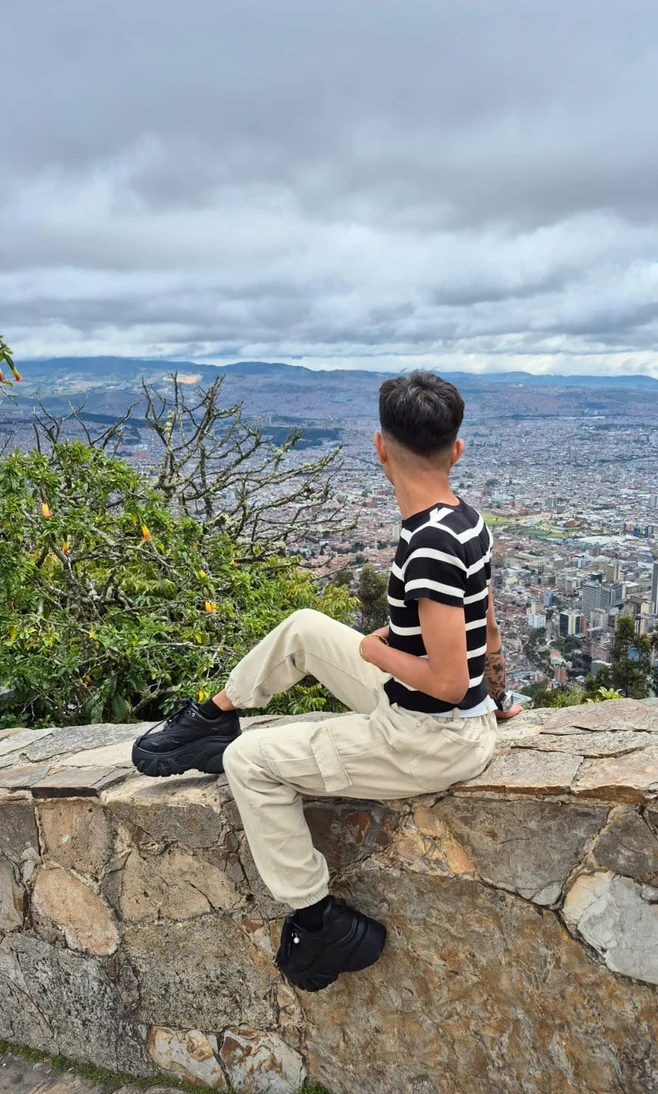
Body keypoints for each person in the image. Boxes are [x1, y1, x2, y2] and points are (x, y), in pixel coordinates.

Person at [132, 371, 520, 993]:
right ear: (456, 450)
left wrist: (375, 651)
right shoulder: (466, 521)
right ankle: (216, 715)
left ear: (379, 447)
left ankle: (318, 920)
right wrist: (494, 700)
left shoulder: (428, 547)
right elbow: (488, 633)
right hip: (442, 717)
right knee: (306, 628)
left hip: (427, 736)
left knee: (250, 764)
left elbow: (448, 683)